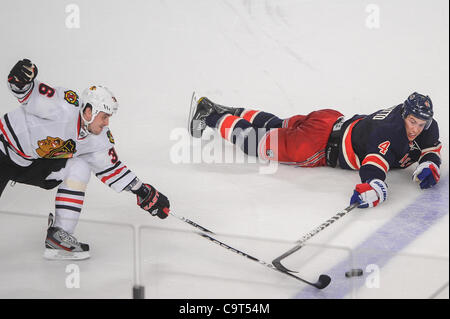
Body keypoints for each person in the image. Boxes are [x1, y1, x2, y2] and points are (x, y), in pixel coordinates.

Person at [0, 59, 170, 260]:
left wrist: (143, 191)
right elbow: (27, 93)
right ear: (88, 111)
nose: (106, 123)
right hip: (3, 151)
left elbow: (111, 167)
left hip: (33, 164)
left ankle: (59, 236)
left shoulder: (98, 138)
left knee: (80, 166)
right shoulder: (63, 104)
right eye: (104, 117)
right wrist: (20, 80)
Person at [188, 92, 441, 208]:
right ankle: (210, 115)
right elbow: (374, 164)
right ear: (404, 115)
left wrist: (430, 163)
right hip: (315, 146)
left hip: (329, 119)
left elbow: (430, 147)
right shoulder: (390, 130)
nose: (416, 129)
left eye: (421, 124)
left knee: (278, 124)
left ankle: (229, 110)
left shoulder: (426, 126)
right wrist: (374, 187)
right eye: (412, 122)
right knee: (257, 142)